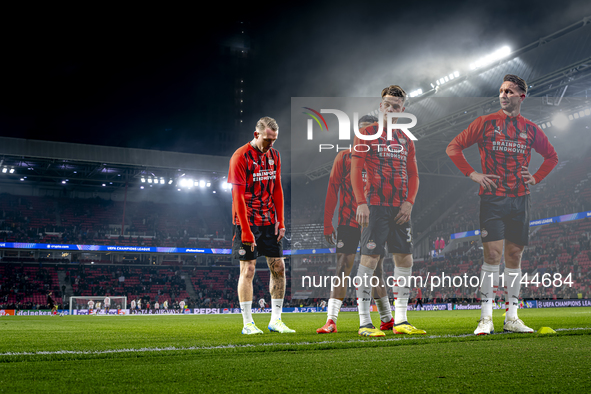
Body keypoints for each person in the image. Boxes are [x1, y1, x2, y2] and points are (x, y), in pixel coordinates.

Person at [446, 74, 558, 335]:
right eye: (501, 91)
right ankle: (486, 318)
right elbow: (453, 147)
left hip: (520, 198)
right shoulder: (485, 123)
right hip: (493, 198)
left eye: (509, 91)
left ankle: (512, 318)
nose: (503, 95)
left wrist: (537, 177)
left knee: (515, 257)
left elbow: (551, 156)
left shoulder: (531, 129)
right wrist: (473, 174)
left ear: (522, 96)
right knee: (493, 255)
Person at [351, 85, 425, 337]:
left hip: (400, 208)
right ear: (380, 106)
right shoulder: (366, 133)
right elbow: (355, 169)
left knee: (405, 259)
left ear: (402, 110)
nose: (391, 109)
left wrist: (410, 202)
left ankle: (402, 321)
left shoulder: (406, 138)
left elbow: (414, 174)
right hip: (375, 206)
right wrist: (361, 201)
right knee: (370, 261)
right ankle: (364, 323)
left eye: (396, 106)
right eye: (387, 105)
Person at [317, 115, 394, 334]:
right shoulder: (344, 158)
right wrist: (327, 224)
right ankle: (331, 320)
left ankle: (387, 318)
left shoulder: (381, 158)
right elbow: (332, 190)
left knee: (376, 269)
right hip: (348, 220)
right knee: (342, 267)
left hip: (374, 222)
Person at [228, 116, 294, 334]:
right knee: (248, 269)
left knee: (280, 268)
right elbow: (237, 196)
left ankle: (276, 320)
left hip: (269, 221)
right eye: (267, 139)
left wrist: (281, 221)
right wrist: (246, 231)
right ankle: (248, 323)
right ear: (256, 135)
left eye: (274, 140)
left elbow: (277, 189)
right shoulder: (240, 156)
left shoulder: (274, 155)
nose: (271, 144)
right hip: (246, 221)